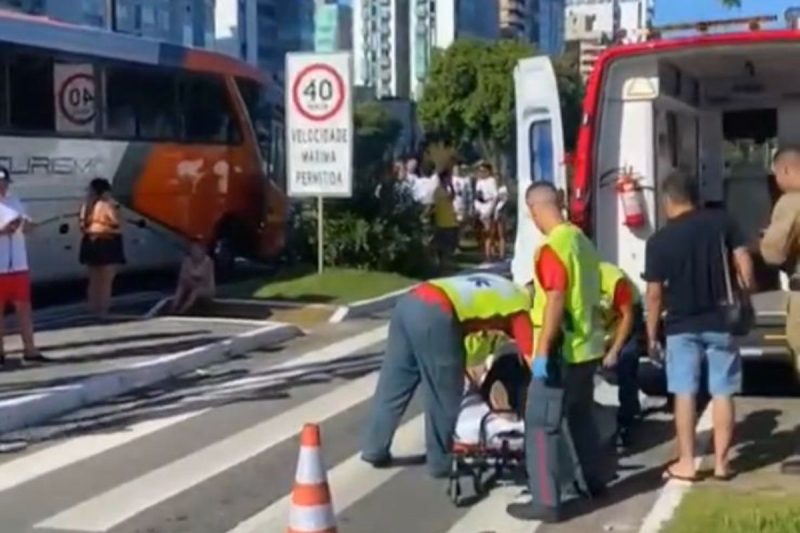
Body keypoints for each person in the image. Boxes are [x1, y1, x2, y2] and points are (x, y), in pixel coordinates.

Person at [361, 272, 533, 478]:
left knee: (394, 382)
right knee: (444, 393)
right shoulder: (521, 309)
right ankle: (440, 461)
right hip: (437, 312)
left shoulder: (503, 286)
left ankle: (374, 448)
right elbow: (532, 358)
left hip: (411, 301)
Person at [507, 182, 609, 523]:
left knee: (540, 425)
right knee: (580, 417)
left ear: (533, 211)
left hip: (560, 352)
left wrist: (542, 352)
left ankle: (547, 502)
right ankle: (595, 483)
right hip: (588, 348)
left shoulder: (552, 247)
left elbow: (555, 298)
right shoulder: (582, 241)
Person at [644, 171, 754, 483]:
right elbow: (743, 262)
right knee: (723, 391)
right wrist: (746, 294)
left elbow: (654, 295)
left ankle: (688, 463)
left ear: (667, 200)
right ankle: (722, 464)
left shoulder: (659, 240)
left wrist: (652, 335)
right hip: (721, 320)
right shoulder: (722, 222)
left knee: (684, 392)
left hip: (681, 325)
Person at [760, 147, 800, 475]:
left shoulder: (791, 202)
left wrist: (762, 241)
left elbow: (774, 252)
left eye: (776, 176)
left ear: (787, 171)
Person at [0, 167, 44, 365]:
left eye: (5, 183)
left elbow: (25, 226)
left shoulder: (15, 202)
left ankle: (30, 349)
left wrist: (28, 226)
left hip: (18, 265)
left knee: (24, 308)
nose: (3, 187)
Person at [599, 261, 644, 448]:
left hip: (626, 316)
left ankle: (627, 419)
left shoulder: (613, 280)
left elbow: (627, 315)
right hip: (603, 323)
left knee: (626, 360)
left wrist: (614, 350)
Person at [79, 177, 126, 319]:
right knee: (106, 280)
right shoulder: (109, 205)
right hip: (107, 241)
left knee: (93, 279)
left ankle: (93, 307)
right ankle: (103, 310)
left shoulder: (87, 205)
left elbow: (82, 225)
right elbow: (118, 223)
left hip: (89, 240)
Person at [170, 239, 215, 314]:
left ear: (203, 251)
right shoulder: (187, 261)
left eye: (196, 250)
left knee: (196, 291)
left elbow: (205, 282)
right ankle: (173, 307)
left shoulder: (208, 262)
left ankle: (182, 311)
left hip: (205, 289)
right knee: (181, 287)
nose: (194, 252)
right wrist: (189, 281)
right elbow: (182, 277)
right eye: (192, 249)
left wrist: (191, 280)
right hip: (189, 285)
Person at [431, 167, 459, 273]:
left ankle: (446, 267)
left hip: (450, 222)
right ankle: (443, 267)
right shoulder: (438, 190)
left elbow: (452, 196)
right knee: (443, 247)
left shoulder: (447, 189)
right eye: (448, 178)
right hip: (442, 222)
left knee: (449, 247)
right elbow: (434, 205)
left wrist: (451, 185)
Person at [474, 162, 500, 262]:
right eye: (480, 171)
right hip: (481, 207)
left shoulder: (491, 181)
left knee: (490, 232)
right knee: (482, 232)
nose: (482, 173)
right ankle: (486, 253)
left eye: (484, 171)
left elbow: (495, 196)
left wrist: (491, 209)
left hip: (489, 206)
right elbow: (477, 195)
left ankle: (490, 253)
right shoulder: (479, 182)